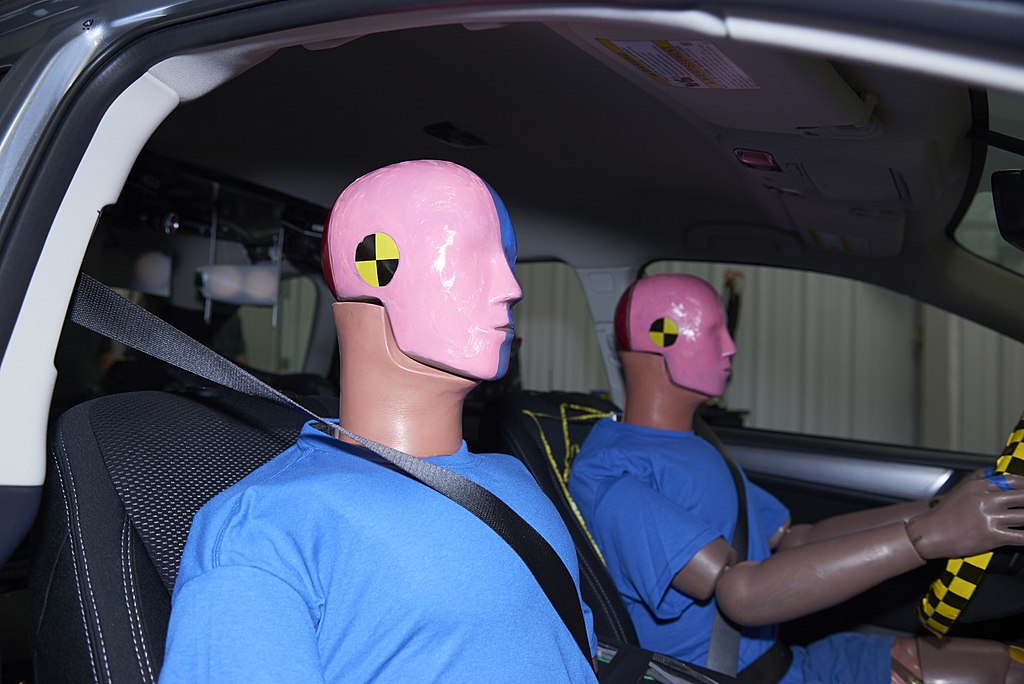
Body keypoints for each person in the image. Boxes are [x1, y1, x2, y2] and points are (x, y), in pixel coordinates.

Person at [160, 160, 597, 683]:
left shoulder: (517, 481)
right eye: (469, 254)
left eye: (505, 258)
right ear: (377, 267)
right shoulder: (268, 528)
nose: (510, 287)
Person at [568, 272, 1024, 684]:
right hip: (725, 678)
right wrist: (928, 537)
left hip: (791, 664)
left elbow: (798, 538)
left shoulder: (694, 443)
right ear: (659, 338)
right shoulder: (613, 475)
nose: (730, 346)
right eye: (712, 332)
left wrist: (941, 509)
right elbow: (742, 593)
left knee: (1000, 668)